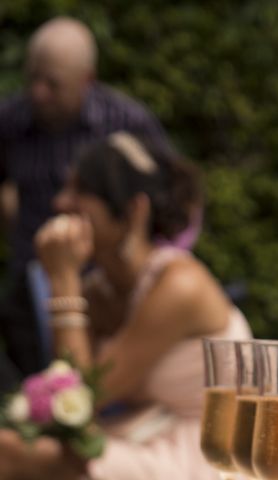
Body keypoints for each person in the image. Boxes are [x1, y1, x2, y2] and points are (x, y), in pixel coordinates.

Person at [0, 132, 252, 479]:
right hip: (145, 431)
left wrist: (62, 282)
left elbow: (83, 399)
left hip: (204, 453)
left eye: (81, 192)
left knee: (9, 453)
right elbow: (71, 408)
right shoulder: (101, 289)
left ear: (134, 209)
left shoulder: (180, 284)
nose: (61, 202)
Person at [0, 16, 172, 388]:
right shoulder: (11, 120)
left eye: (53, 83)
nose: (38, 92)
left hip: (101, 278)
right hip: (31, 283)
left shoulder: (126, 121)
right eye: (32, 78)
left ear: (86, 79)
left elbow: (83, 404)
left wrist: (143, 260)